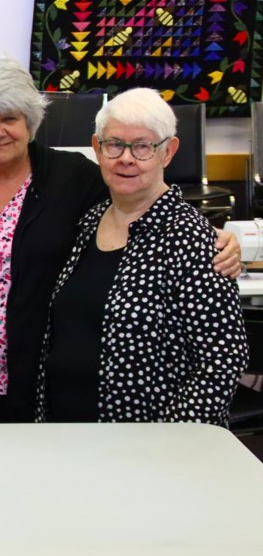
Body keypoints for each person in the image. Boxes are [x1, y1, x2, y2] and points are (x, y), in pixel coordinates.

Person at [0, 53, 241, 423]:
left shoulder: (73, 179)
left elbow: (139, 200)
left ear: (30, 120)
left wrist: (212, 235)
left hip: (40, 395)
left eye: (10, 118)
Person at [35, 88, 248, 424]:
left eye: (143, 146)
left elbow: (221, 358)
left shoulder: (191, 239)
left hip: (147, 445)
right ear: (97, 148)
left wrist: (172, 437)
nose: (126, 158)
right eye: (115, 144)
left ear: (168, 152)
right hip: (66, 429)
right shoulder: (89, 220)